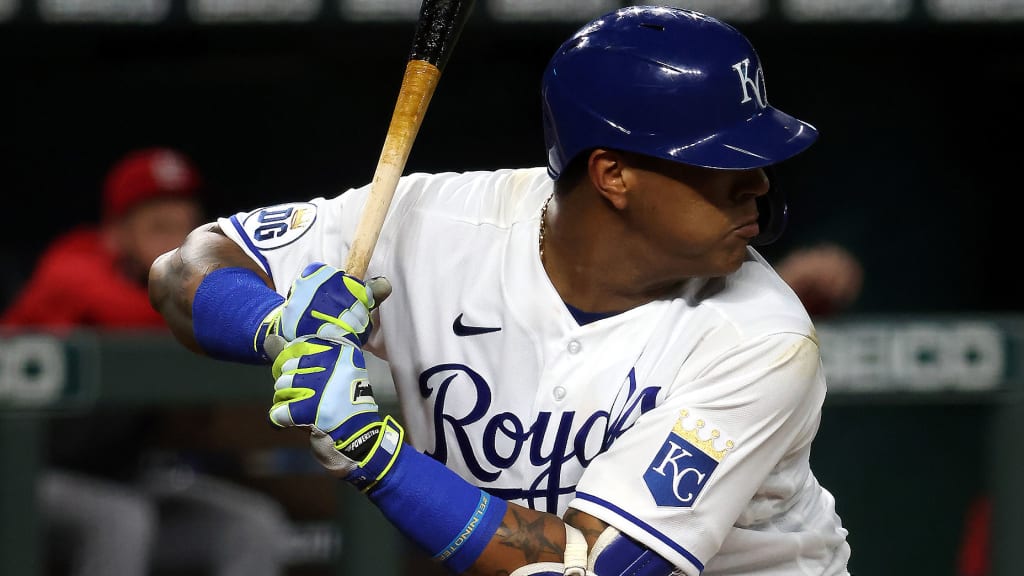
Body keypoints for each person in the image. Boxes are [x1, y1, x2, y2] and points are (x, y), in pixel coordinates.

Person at [149, 7, 851, 576]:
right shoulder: (434, 224)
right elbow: (182, 268)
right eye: (721, 160)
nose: (758, 181)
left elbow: (589, 569)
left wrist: (377, 456)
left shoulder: (762, 339)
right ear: (613, 175)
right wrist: (276, 326)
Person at [1, 147, 292, 576]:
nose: (177, 243)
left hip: (108, 478)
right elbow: (147, 317)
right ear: (116, 233)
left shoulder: (171, 286)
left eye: (186, 227)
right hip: (20, 475)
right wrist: (236, 309)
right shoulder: (72, 267)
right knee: (120, 520)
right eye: (159, 227)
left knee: (251, 526)